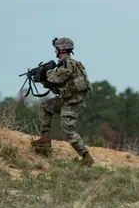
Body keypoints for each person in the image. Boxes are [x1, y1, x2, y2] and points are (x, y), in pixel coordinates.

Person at [31, 37, 94, 166]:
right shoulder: (64, 65)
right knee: (45, 106)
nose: (55, 52)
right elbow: (58, 87)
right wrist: (41, 79)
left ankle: (86, 157)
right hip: (65, 99)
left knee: (68, 129)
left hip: (72, 102)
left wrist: (46, 71)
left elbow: (57, 79)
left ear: (62, 50)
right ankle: (45, 138)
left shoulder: (68, 64)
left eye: (56, 49)